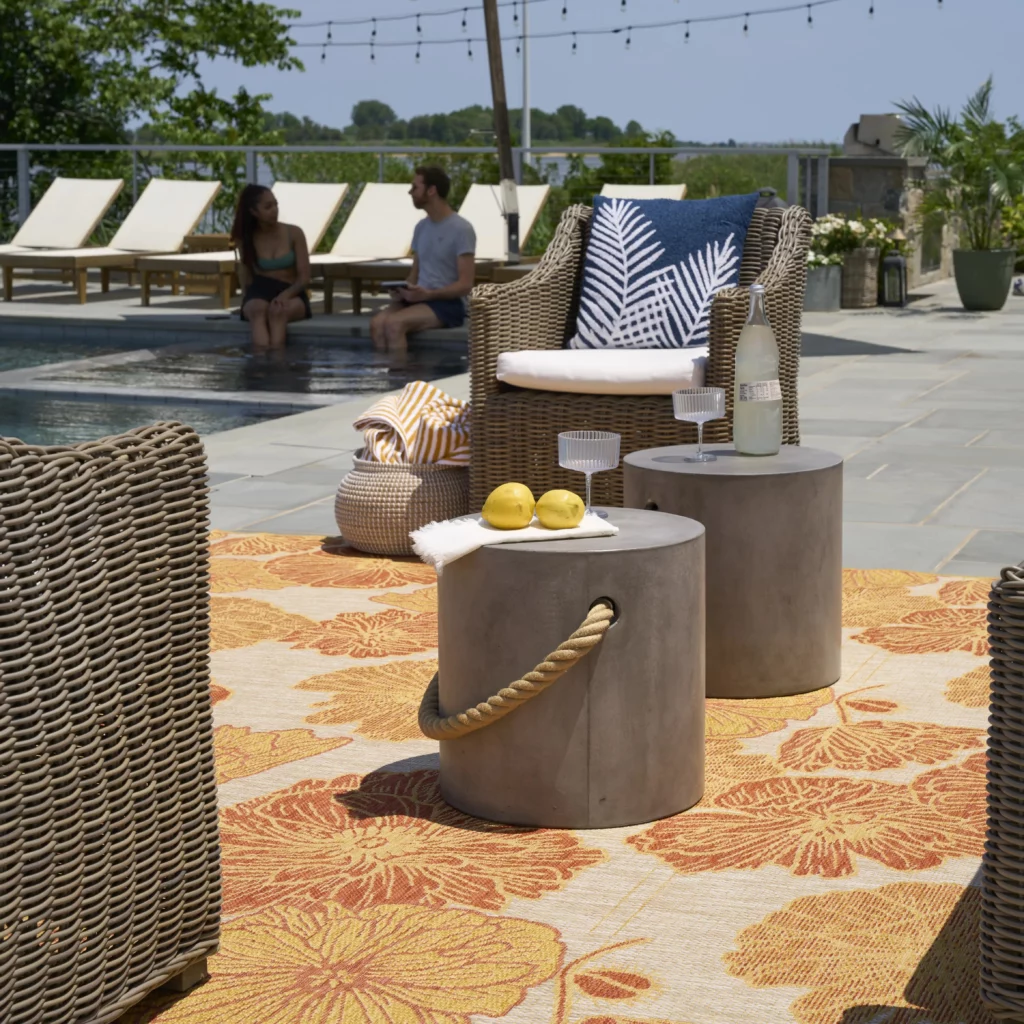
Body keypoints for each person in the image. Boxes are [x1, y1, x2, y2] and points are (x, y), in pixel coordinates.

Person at [370, 166, 476, 358]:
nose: (410, 192)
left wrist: (429, 294)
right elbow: (414, 274)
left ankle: (401, 381)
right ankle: (386, 381)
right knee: (377, 324)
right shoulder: (421, 228)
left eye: (414, 187)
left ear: (431, 190)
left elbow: (465, 284)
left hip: (447, 303)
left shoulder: (461, 229)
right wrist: (403, 290)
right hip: (419, 298)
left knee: (395, 324)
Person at [231, 184, 312, 350]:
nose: (274, 210)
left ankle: (276, 362)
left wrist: (285, 295)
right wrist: (247, 300)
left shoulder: (294, 233)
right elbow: (245, 273)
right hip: (260, 290)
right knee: (257, 310)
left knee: (278, 312)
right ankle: (260, 364)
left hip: (291, 292)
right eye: (268, 207)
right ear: (253, 212)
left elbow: (304, 278)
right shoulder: (247, 238)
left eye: (276, 205)